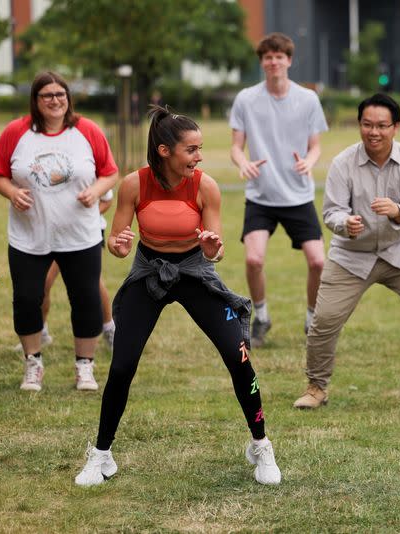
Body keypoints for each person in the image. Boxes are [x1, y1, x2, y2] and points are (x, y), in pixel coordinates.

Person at [74, 106, 281, 487]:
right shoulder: (134, 184)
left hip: (194, 271)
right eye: (192, 149)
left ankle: (261, 444)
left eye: (200, 149)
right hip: (149, 271)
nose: (199, 157)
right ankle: (101, 454)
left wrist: (211, 246)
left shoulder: (206, 186)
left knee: (239, 355)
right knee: (122, 365)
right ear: (165, 151)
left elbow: (215, 253)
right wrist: (117, 244)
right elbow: (118, 245)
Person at [292, 93, 400, 410]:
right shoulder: (343, 163)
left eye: (382, 125)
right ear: (359, 125)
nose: (374, 132)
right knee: (324, 320)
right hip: (351, 255)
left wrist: (396, 211)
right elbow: (331, 213)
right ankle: (316, 387)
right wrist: (346, 224)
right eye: (367, 124)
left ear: (395, 127)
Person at [0, 71, 118, 392]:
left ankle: (84, 368)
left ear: (68, 99)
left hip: (80, 235)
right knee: (27, 299)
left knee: (86, 299)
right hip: (30, 236)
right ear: (35, 100)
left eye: (60, 94)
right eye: (47, 95)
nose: (55, 100)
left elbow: (110, 172)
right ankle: (33, 364)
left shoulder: (87, 130)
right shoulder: (16, 132)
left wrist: (96, 190)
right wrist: (11, 192)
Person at [230, 32, 329, 347]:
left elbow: (315, 147)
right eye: (268, 57)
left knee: (318, 262)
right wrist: (242, 163)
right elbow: (235, 147)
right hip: (261, 195)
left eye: (279, 56)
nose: (274, 62)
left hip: (298, 195)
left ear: (289, 60)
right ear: (262, 62)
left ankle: (313, 318)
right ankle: (261, 318)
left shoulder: (308, 99)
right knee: (254, 260)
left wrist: (308, 162)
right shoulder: (246, 98)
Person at [14, 189, 116, 353]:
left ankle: (109, 329)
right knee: (44, 280)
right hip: (49, 234)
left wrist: (81, 218)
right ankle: (41, 331)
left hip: (83, 234)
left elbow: (107, 200)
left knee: (90, 282)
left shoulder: (89, 166)